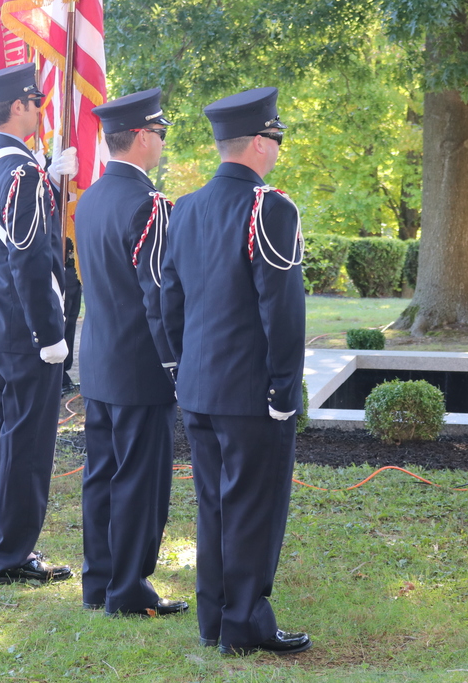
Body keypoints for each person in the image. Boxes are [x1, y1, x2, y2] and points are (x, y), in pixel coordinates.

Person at [161, 87, 311, 655]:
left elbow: (169, 299)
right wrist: (283, 387)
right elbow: (282, 308)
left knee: (214, 507)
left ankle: (214, 620)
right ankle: (244, 623)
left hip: (199, 386)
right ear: (256, 143)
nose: (276, 150)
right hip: (250, 391)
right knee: (252, 506)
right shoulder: (268, 206)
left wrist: (181, 367)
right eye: (275, 140)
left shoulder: (187, 207)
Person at [0, 63, 77, 584]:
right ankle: (13, 555)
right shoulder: (23, 172)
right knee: (26, 444)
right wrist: (50, 335)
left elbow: (2, 226)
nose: (41, 108)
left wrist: (49, 178)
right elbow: (29, 258)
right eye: (36, 101)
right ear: (17, 107)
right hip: (22, 328)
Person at [74, 88, 187, 618]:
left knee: (102, 476)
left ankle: (99, 581)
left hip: (99, 358)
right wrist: (176, 363)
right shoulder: (147, 204)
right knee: (141, 482)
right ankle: (130, 589)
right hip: (140, 365)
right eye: (160, 134)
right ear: (141, 136)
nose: (162, 143)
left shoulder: (92, 196)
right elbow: (158, 293)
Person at [61, 237, 81, 394]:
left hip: (74, 268)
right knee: (63, 322)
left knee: (71, 322)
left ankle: (64, 372)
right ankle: (58, 374)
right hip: (60, 266)